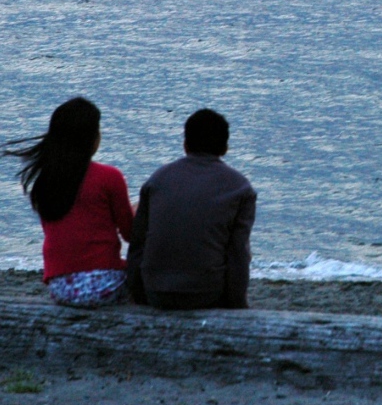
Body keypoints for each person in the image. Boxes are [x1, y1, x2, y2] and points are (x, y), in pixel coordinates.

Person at [3, 97, 133, 307]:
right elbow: (130, 234)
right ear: (91, 139)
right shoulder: (109, 177)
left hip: (61, 288)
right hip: (104, 285)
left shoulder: (46, 180)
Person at [126, 108, 256, 310]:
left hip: (155, 291)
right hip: (205, 293)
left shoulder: (158, 179)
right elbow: (238, 253)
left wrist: (137, 294)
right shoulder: (240, 187)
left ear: (185, 144)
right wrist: (239, 304)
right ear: (225, 148)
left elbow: (138, 244)